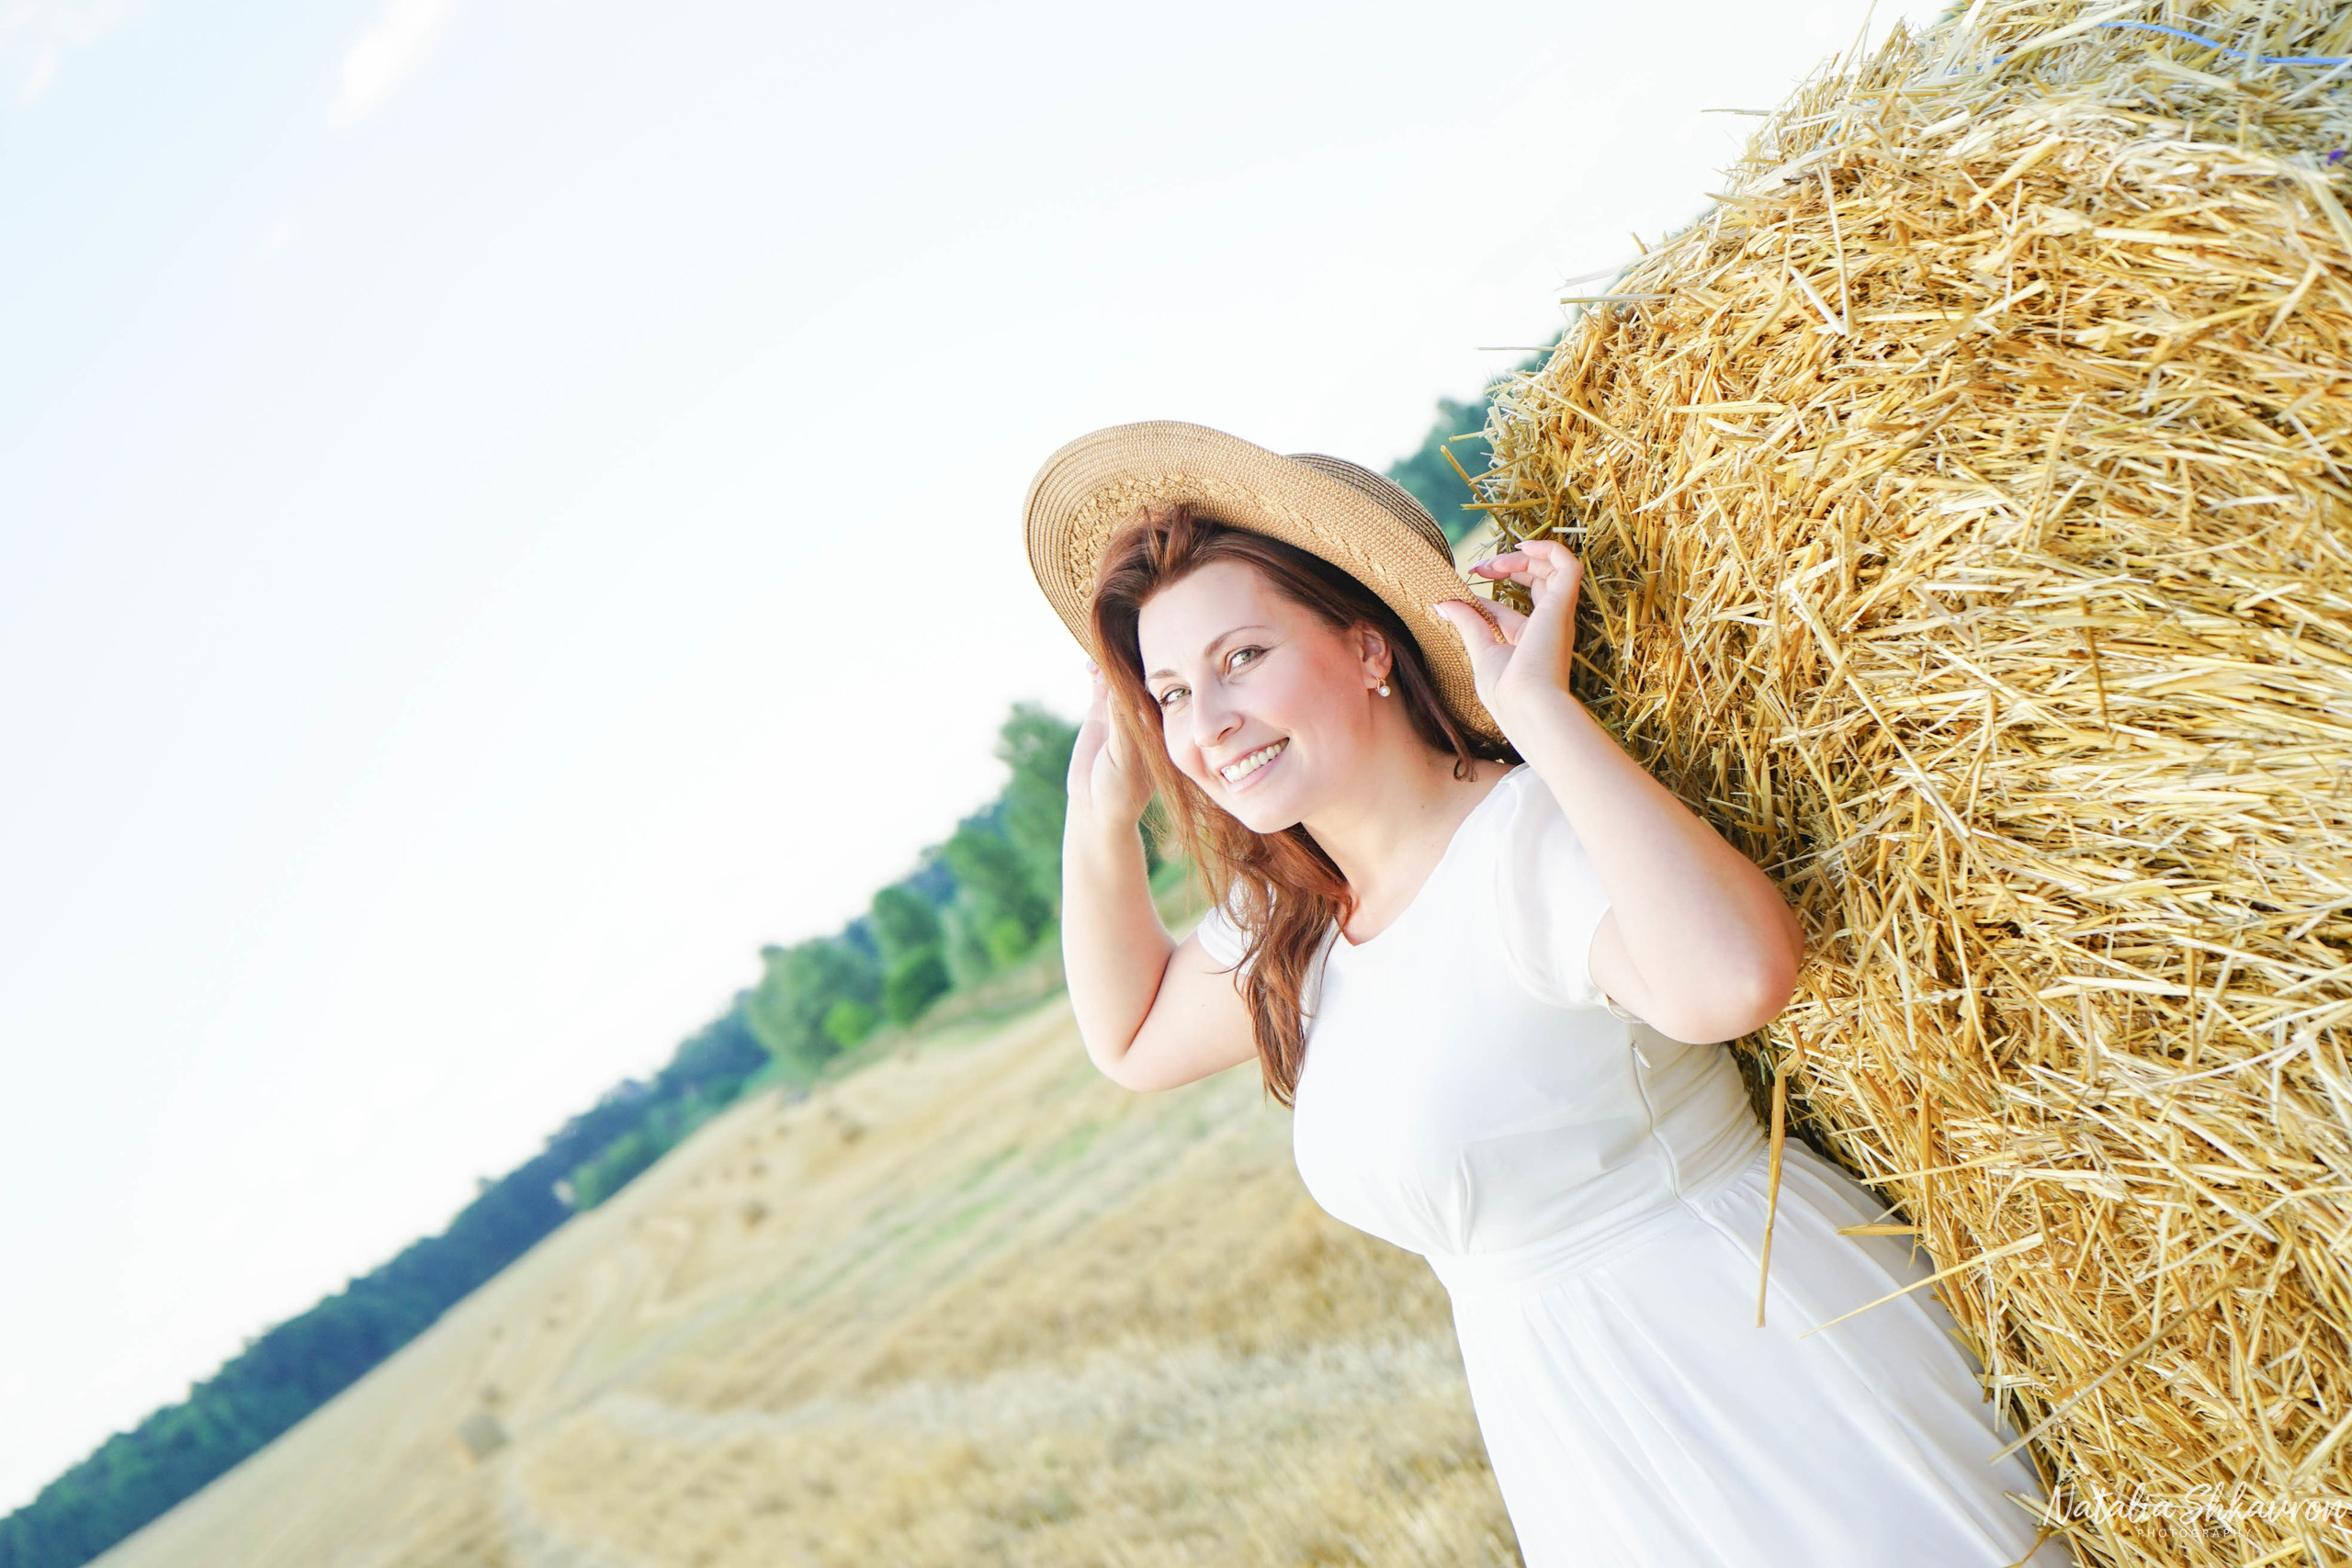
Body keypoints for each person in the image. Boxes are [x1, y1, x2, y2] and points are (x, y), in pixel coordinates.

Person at [1023, 421, 2075, 1568]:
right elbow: (1127, 1037)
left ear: (1370, 649)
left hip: (1753, 1366)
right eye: (1169, 693)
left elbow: (1736, 978)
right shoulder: (1304, 925)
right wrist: (1100, 808)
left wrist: (1539, 716)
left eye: (1241, 659)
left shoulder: (1523, 840)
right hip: (1568, 1426)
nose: (1207, 725)